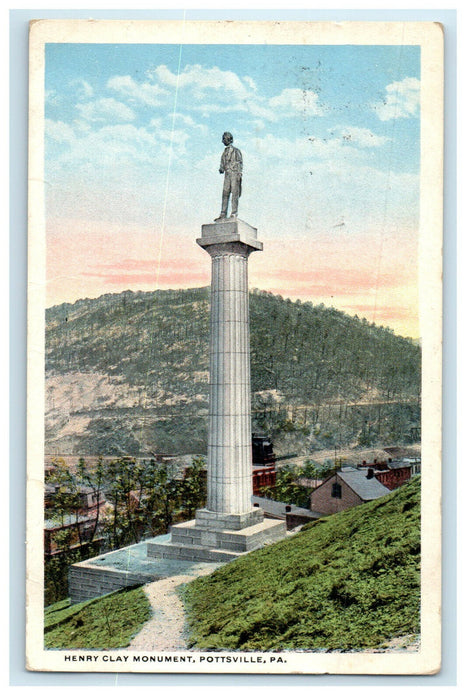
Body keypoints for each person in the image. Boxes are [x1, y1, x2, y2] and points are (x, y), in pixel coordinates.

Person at [215, 132, 243, 220]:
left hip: (234, 174)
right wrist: (221, 168)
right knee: (225, 193)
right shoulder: (224, 152)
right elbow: (222, 164)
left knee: (235, 193)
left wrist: (238, 174)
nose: (222, 141)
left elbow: (240, 163)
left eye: (224, 139)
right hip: (227, 175)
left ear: (229, 139)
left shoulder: (236, 151)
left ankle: (234, 213)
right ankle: (223, 213)